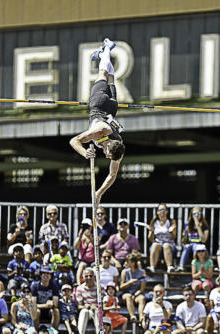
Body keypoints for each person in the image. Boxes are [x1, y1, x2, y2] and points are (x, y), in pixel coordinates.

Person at [69, 37, 125, 206]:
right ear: (108, 147)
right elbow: (74, 140)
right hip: (99, 104)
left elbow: (112, 175)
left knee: (110, 77)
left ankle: (104, 54)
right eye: (107, 154)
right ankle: (106, 49)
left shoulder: (119, 148)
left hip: (112, 107)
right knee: (102, 73)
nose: (106, 156)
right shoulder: (100, 131)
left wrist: (99, 193)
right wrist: (84, 153)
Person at [177, 207, 209, 272]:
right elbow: (184, 239)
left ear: (201, 214)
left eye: (198, 213)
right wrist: (184, 234)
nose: (196, 215)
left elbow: (203, 240)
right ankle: (181, 266)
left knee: (196, 248)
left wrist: (198, 227)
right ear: (191, 215)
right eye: (194, 214)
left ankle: (197, 268)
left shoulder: (204, 225)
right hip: (189, 244)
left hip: (199, 244)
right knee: (187, 247)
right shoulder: (187, 224)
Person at [148, 203, 177, 273]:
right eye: (160, 210)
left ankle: (169, 267)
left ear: (167, 211)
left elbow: (173, 237)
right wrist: (151, 232)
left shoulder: (171, 221)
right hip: (157, 246)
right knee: (155, 244)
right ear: (157, 212)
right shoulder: (154, 222)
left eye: (164, 209)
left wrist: (171, 231)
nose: (162, 211)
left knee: (166, 245)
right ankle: (152, 267)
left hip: (169, 245)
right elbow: (150, 239)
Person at [120, 253, 146, 323]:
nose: (125, 263)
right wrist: (129, 282)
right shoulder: (124, 272)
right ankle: (132, 316)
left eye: (127, 262)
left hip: (137, 293)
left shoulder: (142, 272)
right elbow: (121, 286)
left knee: (142, 298)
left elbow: (142, 289)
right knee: (128, 296)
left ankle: (141, 317)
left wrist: (135, 295)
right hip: (127, 293)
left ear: (133, 263)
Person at [76, 268, 104, 334]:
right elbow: (79, 306)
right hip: (86, 309)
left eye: (90, 276)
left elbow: (103, 302)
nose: (88, 278)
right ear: (83, 277)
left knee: (97, 311)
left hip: (96, 309)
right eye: (86, 276)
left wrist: (96, 305)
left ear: (94, 277)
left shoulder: (100, 287)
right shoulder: (79, 288)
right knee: (84, 312)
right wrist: (85, 306)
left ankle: (99, 332)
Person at [74, 218, 96, 285]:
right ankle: (78, 284)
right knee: (82, 265)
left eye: (88, 227)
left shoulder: (94, 236)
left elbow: (96, 247)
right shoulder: (81, 238)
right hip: (83, 261)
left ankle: (95, 284)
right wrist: (80, 236)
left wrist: (90, 237)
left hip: (93, 261)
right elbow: (76, 247)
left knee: (95, 268)